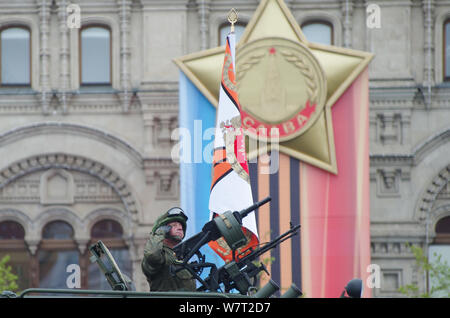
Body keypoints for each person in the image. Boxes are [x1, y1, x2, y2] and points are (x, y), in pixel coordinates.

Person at [141, 207, 197, 292]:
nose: (180, 228)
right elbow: (152, 255)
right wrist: (159, 233)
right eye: (174, 225)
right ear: (164, 230)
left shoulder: (181, 257)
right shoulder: (161, 254)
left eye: (181, 225)